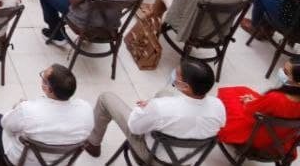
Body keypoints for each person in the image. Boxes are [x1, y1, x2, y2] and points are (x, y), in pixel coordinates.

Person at [82, 58, 224, 159]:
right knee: (165, 93)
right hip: (185, 160)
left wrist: (144, 109)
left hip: (153, 157)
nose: (173, 75)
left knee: (106, 98)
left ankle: (93, 143)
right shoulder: (218, 106)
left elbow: (135, 128)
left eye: (177, 75)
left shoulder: (161, 107)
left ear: (185, 87)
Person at [0, 64, 94, 163]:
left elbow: (6, 125)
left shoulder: (28, 110)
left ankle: (3, 162)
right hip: (60, 164)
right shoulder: (86, 110)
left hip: (24, 162)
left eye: (43, 78)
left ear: (49, 89)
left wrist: (17, 109)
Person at [218, 57, 300, 159]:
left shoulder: (276, 98)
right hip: (283, 140)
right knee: (245, 91)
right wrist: (257, 102)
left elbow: (249, 112)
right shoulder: (278, 98)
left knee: (230, 93)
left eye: (286, 72)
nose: (281, 72)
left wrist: (248, 102)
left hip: (259, 139)